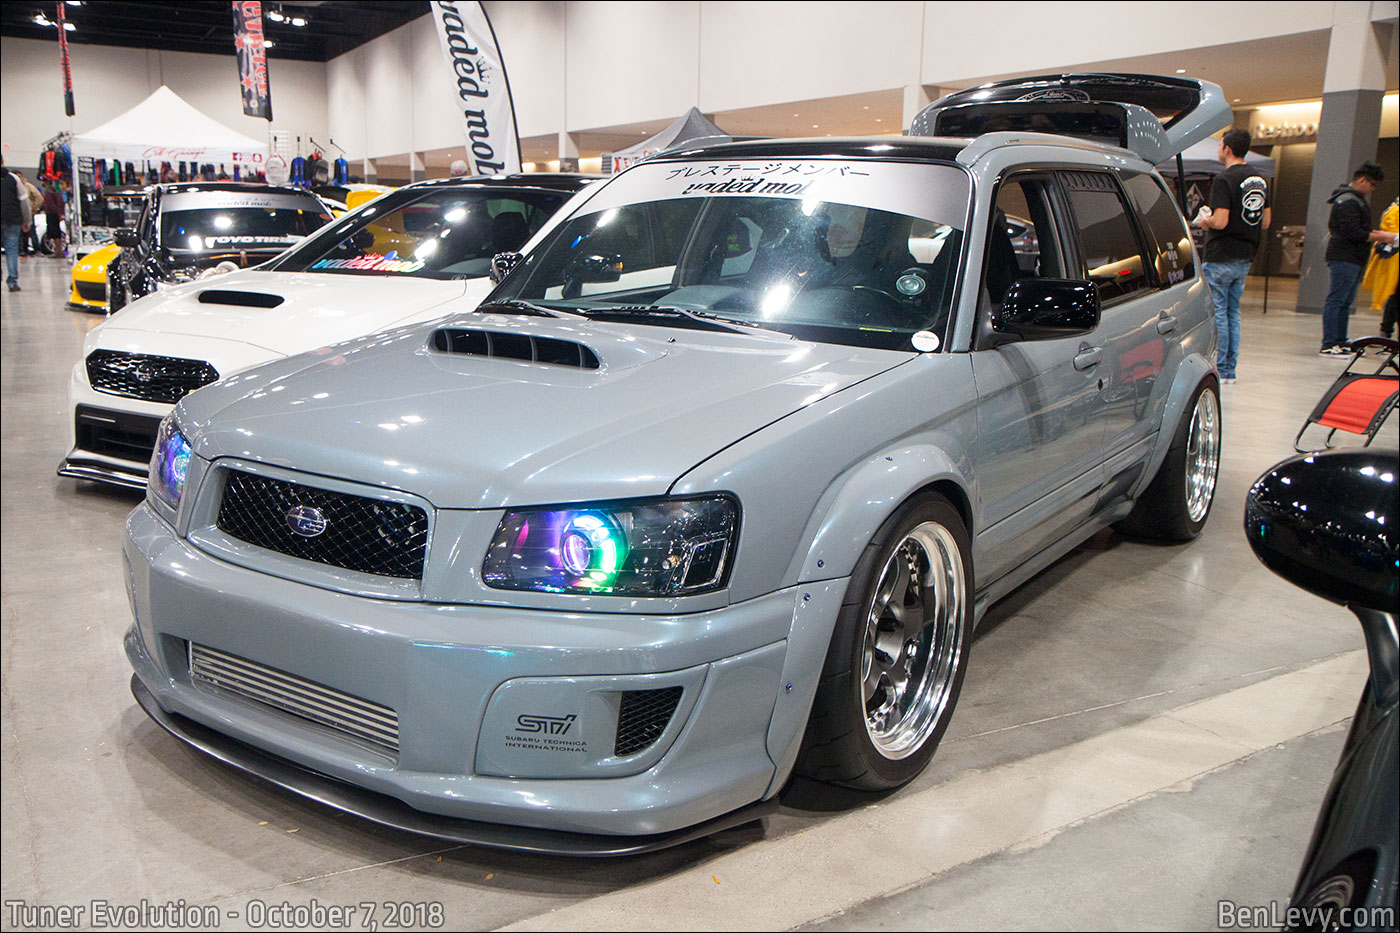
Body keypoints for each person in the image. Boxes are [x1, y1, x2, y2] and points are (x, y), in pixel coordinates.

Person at [1192, 129, 1270, 384]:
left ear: (1227, 148)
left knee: (1219, 311)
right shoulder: (1260, 179)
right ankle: (1229, 370)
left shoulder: (1225, 180)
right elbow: (1266, 221)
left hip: (1221, 253)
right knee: (1233, 313)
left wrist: (1206, 221)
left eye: (1220, 144)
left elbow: (1221, 221)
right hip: (1246, 254)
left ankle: (1221, 368)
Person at [1319, 162, 1399, 355]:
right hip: (1344, 256)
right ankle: (1329, 343)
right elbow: (1354, 232)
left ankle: (1340, 339)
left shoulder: (1357, 199)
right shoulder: (1348, 200)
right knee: (1337, 300)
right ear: (1363, 180)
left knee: (1345, 301)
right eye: (1373, 185)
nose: (1373, 189)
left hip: (1354, 258)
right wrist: (1384, 236)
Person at [2, 155, 34, 292]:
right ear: (3, 162)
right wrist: (27, 220)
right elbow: (24, 201)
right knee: (11, 250)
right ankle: (13, 282)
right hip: (12, 220)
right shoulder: (13, 178)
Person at [41, 180, 66, 258]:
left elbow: (50, 203)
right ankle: (58, 250)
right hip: (55, 213)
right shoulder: (57, 190)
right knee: (56, 232)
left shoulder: (49, 191)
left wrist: (56, 212)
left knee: (54, 232)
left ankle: (58, 251)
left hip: (52, 213)